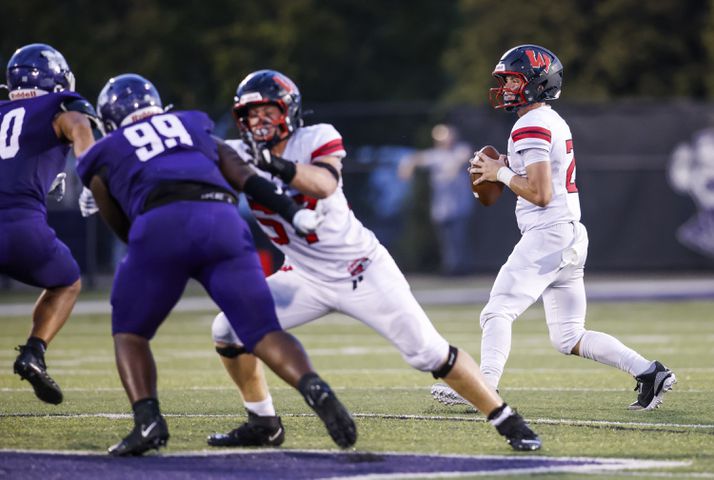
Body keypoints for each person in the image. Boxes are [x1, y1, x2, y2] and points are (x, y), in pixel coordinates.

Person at [207, 69, 541, 451]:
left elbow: (324, 183)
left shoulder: (317, 137)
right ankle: (263, 422)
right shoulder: (235, 154)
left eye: (268, 112)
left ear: (290, 112)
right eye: (251, 115)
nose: (258, 122)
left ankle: (507, 420)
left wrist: (270, 163)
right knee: (227, 329)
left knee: (429, 353)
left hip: (360, 270)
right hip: (302, 276)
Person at [76, 73, 357, 456]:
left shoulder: (105, 151)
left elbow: (124, 227)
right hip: (221, 220)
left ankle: (148, 423)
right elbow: (243, 177)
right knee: (260, 330)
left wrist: (149, 246)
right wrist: (292, 212)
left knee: (130, 331)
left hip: (160, 224)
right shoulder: (192, 123)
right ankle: (314, 387)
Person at [433, 44, 676, 411]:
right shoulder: (549, 120)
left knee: (497, 311)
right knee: (568, 336)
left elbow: (541, 193)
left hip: (548, 232)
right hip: (568, 234)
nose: (507, 87)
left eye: (513, 79)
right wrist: (505, 167)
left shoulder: (530, 124)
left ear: (537, 82)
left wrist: (499, 172)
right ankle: (649, 372)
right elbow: (538, 181)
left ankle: (484, 388)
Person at [1, 43, 98, 405]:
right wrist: (90, 176)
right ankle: (34, 352)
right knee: (67, 281)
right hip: (21, 223)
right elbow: (79, 127)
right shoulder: (60, 105)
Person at [398, 124, 476, 275]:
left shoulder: (460, 149)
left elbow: (462, 158)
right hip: (441, 208)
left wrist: (452, 169)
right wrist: (406, 168)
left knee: (459, 238)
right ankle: (451, 267)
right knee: (446, 241)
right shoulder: (435, 155)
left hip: (460, 206)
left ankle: (462, 267)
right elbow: (414, 159)